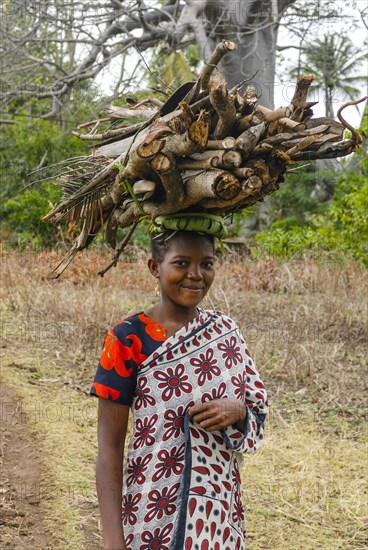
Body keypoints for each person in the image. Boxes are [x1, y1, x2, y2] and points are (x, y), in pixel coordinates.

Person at [90, 214, 268, 550]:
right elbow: (108, 450)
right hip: (150, 509)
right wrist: (114, 540)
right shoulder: (128, 339)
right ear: (154, 267)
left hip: (216, 513)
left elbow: (257, 413)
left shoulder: (225, 332)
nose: (196, 275)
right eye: (181, 263)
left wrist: (237, 410)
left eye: (207, 263)